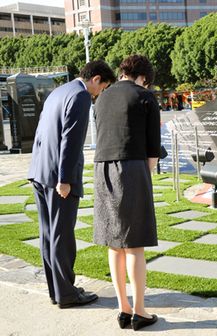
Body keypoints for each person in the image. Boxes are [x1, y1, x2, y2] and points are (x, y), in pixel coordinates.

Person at [28, 60, 116, 308]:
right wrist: (65, 179)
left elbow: (42, 132)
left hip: (40, 171)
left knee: (48, 234)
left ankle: (57, 290)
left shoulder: (59, 91)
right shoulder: (80, 96)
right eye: (104, 87)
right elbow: (71, 140)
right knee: (62, 236)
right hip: (58, 177)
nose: (101, 93)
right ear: (96, 79)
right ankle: (67, 294)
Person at [92, 55, 161, 331]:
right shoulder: (145, 96)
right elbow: (153, 155)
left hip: (101, 169)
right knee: (135, 242)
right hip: (132, 167)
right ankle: (140, 311)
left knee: (114, 241)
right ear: (143, 76)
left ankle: (123, 308)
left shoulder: (101, 98)